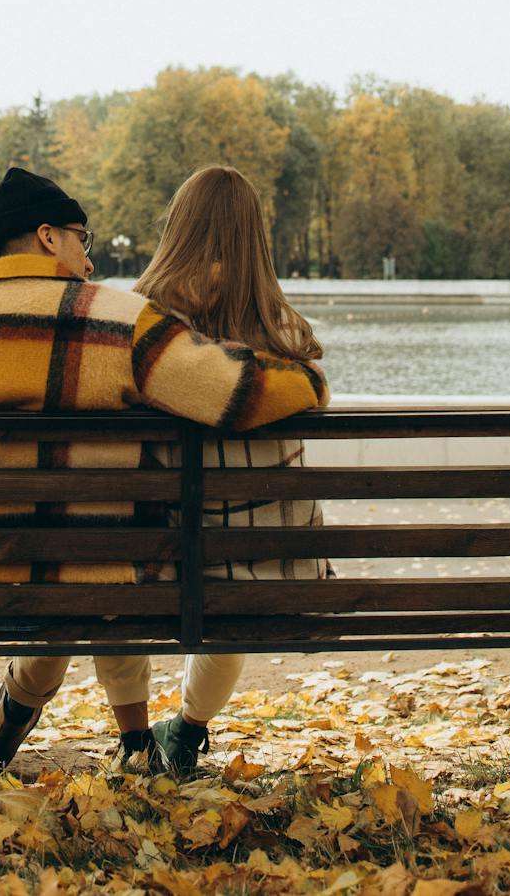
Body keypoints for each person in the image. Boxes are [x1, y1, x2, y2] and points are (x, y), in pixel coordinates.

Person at [0, 165, 328, 779]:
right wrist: (309, 380)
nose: (90, 254)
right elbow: (233, 394)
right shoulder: (119, 323)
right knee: (84, 572)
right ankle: (129, 743)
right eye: (83, 237)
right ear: (50, 236)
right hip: (83, 566)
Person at [134, 165, 330, 777]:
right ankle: (188, 733)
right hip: (279, 563)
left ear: (178, 228)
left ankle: (133, 739)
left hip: (159, 559)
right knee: (233, 586)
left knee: (170, 560)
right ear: (255, 237)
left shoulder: (146, 323)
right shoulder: (286, 335)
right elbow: (302, 386)